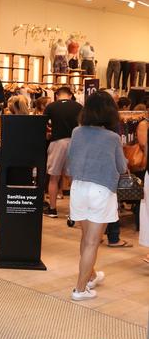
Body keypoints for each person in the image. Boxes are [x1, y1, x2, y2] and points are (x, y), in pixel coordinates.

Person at [67, 91, 127, 300]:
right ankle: (80, 289)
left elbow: (70, 160)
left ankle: (90, 275)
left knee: (86, 239)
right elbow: (122, 167)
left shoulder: (77, 132)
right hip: (101, 190)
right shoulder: (112, 138)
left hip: (78, 187)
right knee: (93, 241)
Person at [43, 86, 82, 218]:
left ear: (57, 95)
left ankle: (53, 209)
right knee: (73, 179)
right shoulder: (78, 107)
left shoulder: (51, 107)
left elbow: (43, 124)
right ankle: (74, 212)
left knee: (54, 177)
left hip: (57, 142)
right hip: (75, 142)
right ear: (70, 95)